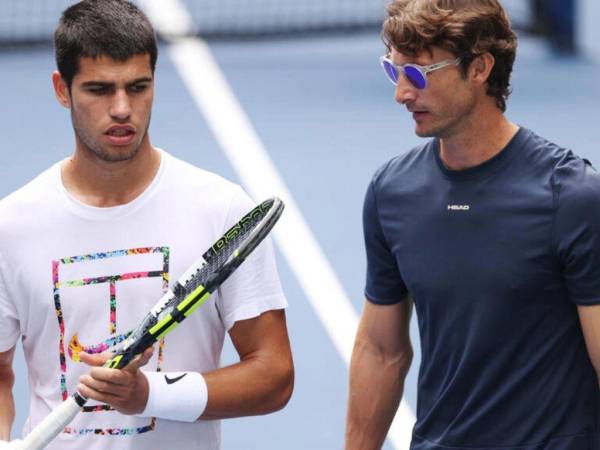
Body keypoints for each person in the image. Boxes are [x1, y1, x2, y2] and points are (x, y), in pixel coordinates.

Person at [0, 1, 293, 449]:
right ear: (62, 89)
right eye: (99, 89)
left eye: (138, 87)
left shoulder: (220, 210)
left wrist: (149, 394)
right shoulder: (11, 227)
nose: (122, 109)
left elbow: (273, 375)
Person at [345, 1, 600, 449]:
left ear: (480, 68)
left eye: (419, 74)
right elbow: (381, 352)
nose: (401, 93)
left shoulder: (573, 197)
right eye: (394, 71)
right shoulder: (392, 192)